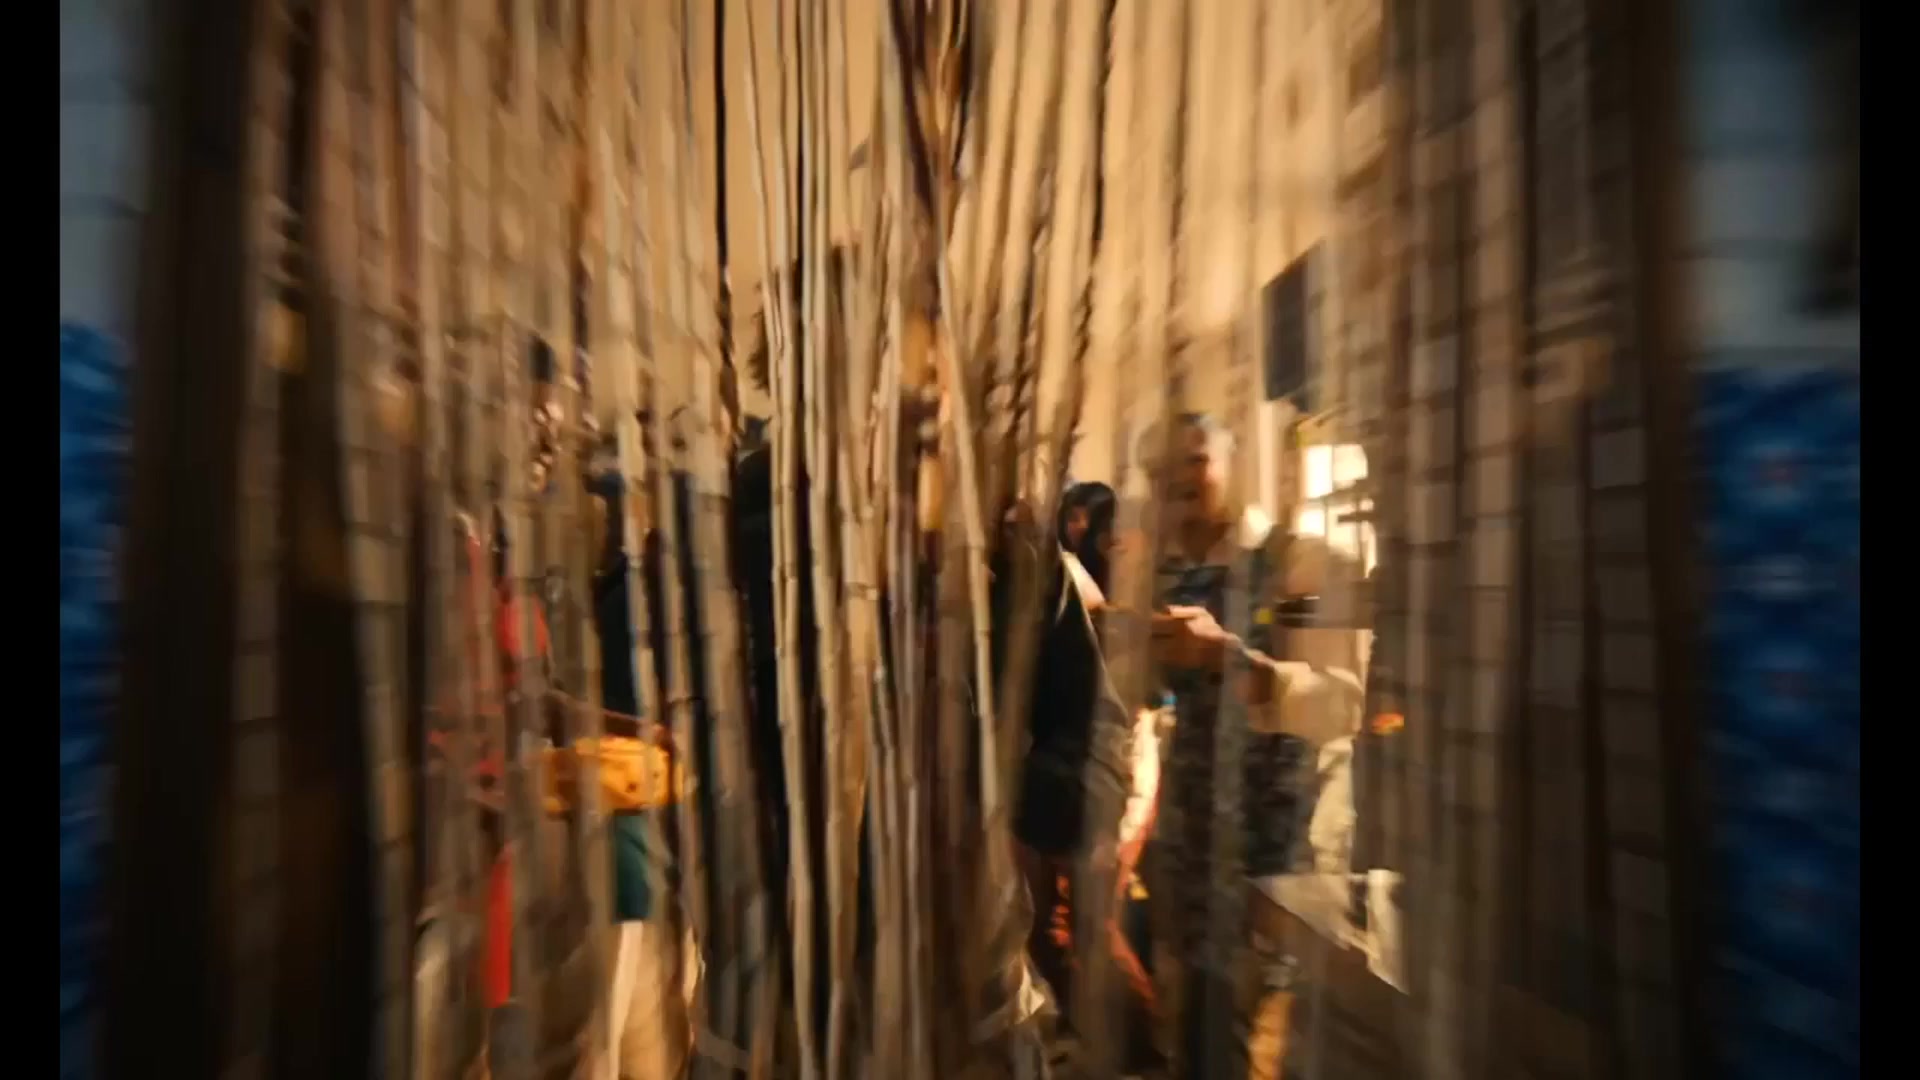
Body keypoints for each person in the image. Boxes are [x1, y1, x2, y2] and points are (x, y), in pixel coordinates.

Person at [1144, 412, 1364, 1076]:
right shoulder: (1167, 575)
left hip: (1276, 850)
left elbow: (1346, 703)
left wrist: (1238, 663)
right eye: (1161, 470)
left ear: (1232, 465)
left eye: (1194, 461)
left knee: (1260, 1040)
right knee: (1198, 1039)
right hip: (1192, 849)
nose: (1178, 482)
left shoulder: (1298, 562)